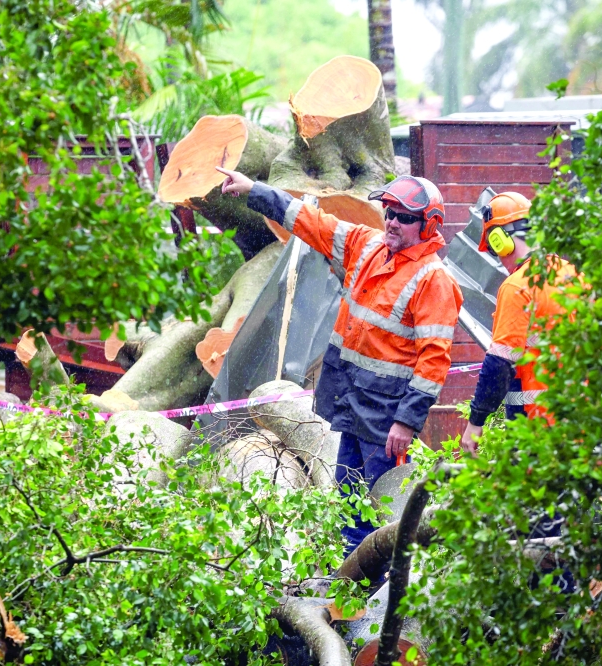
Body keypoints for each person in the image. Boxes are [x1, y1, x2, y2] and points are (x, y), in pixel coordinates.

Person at [216, 166, 463, 556]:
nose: (393, 222)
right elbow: (310, 220)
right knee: (349, 501)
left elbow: (434, 362)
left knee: (386, 510)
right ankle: (351, 587)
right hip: (349, 404)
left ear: (428, 225)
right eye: (390, 212)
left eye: (405, 217)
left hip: (386, 420)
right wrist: (254, 190)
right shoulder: (366, 245)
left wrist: (406, 421)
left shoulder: (434, 281)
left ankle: (388, 593)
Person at [460, 191, 578, 453]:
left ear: (500, 240)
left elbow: (499, 364)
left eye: (493, 247)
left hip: (537, 431)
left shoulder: (517, 286)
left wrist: (475, 422)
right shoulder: (574, 276)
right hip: (583, 427)